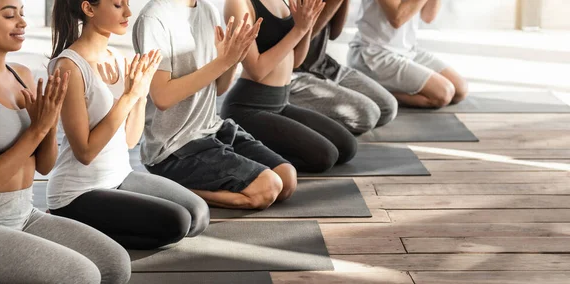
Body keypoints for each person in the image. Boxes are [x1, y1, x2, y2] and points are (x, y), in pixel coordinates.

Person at [0, 1, 131, 283]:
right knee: (82, 275)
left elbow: (45, 166)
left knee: (115, 264)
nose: (22, 22)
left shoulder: (23, 76)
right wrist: (38, 128)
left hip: (25, 215)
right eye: (9, 15)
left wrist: (48, 124)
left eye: (21, 12)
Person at [47, 0, 210, 250]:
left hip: (120, 176)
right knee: (177, 222)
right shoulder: (69, 67)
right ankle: (70, 227)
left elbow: (130, 140)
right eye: (117, 5)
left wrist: (141, 93)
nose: (128, 12)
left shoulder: (120, 60)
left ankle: (95, 228)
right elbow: (85, 152)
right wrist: (128, 97)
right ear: (89, 9)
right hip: (77, 192)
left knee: (198, 215)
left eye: (126, 3)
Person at [133, 0, 298, 210]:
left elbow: (218, 89)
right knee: (267, 189)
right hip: (174, 148)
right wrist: (223, 62)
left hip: (212, 129)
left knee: (287, 179)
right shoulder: (154, 18)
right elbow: (162, 97)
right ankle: (165, 188)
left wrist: (233, 58)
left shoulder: (207, 10)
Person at [221, 0, 358, 173]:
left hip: (281, 104)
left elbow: (296, 60)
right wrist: (299, 29)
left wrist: (307, 25)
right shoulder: (238, 4)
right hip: (247, 109)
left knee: (347, 147)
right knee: (324, 156)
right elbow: (257, 70)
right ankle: (239, 149)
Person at [291, 0, 398, 134]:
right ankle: (284, 114)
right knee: (367, 115)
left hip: (321, 64)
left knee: (387, 108)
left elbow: (334, 33)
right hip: (294, 71)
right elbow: (298, 46)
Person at [348, 0, 468, 108]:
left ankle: (379, 89)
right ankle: (375, 92)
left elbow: (428, 17)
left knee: (460, 90)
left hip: (408, 50)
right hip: (374, 53)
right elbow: (397, 18)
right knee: (443, 94)